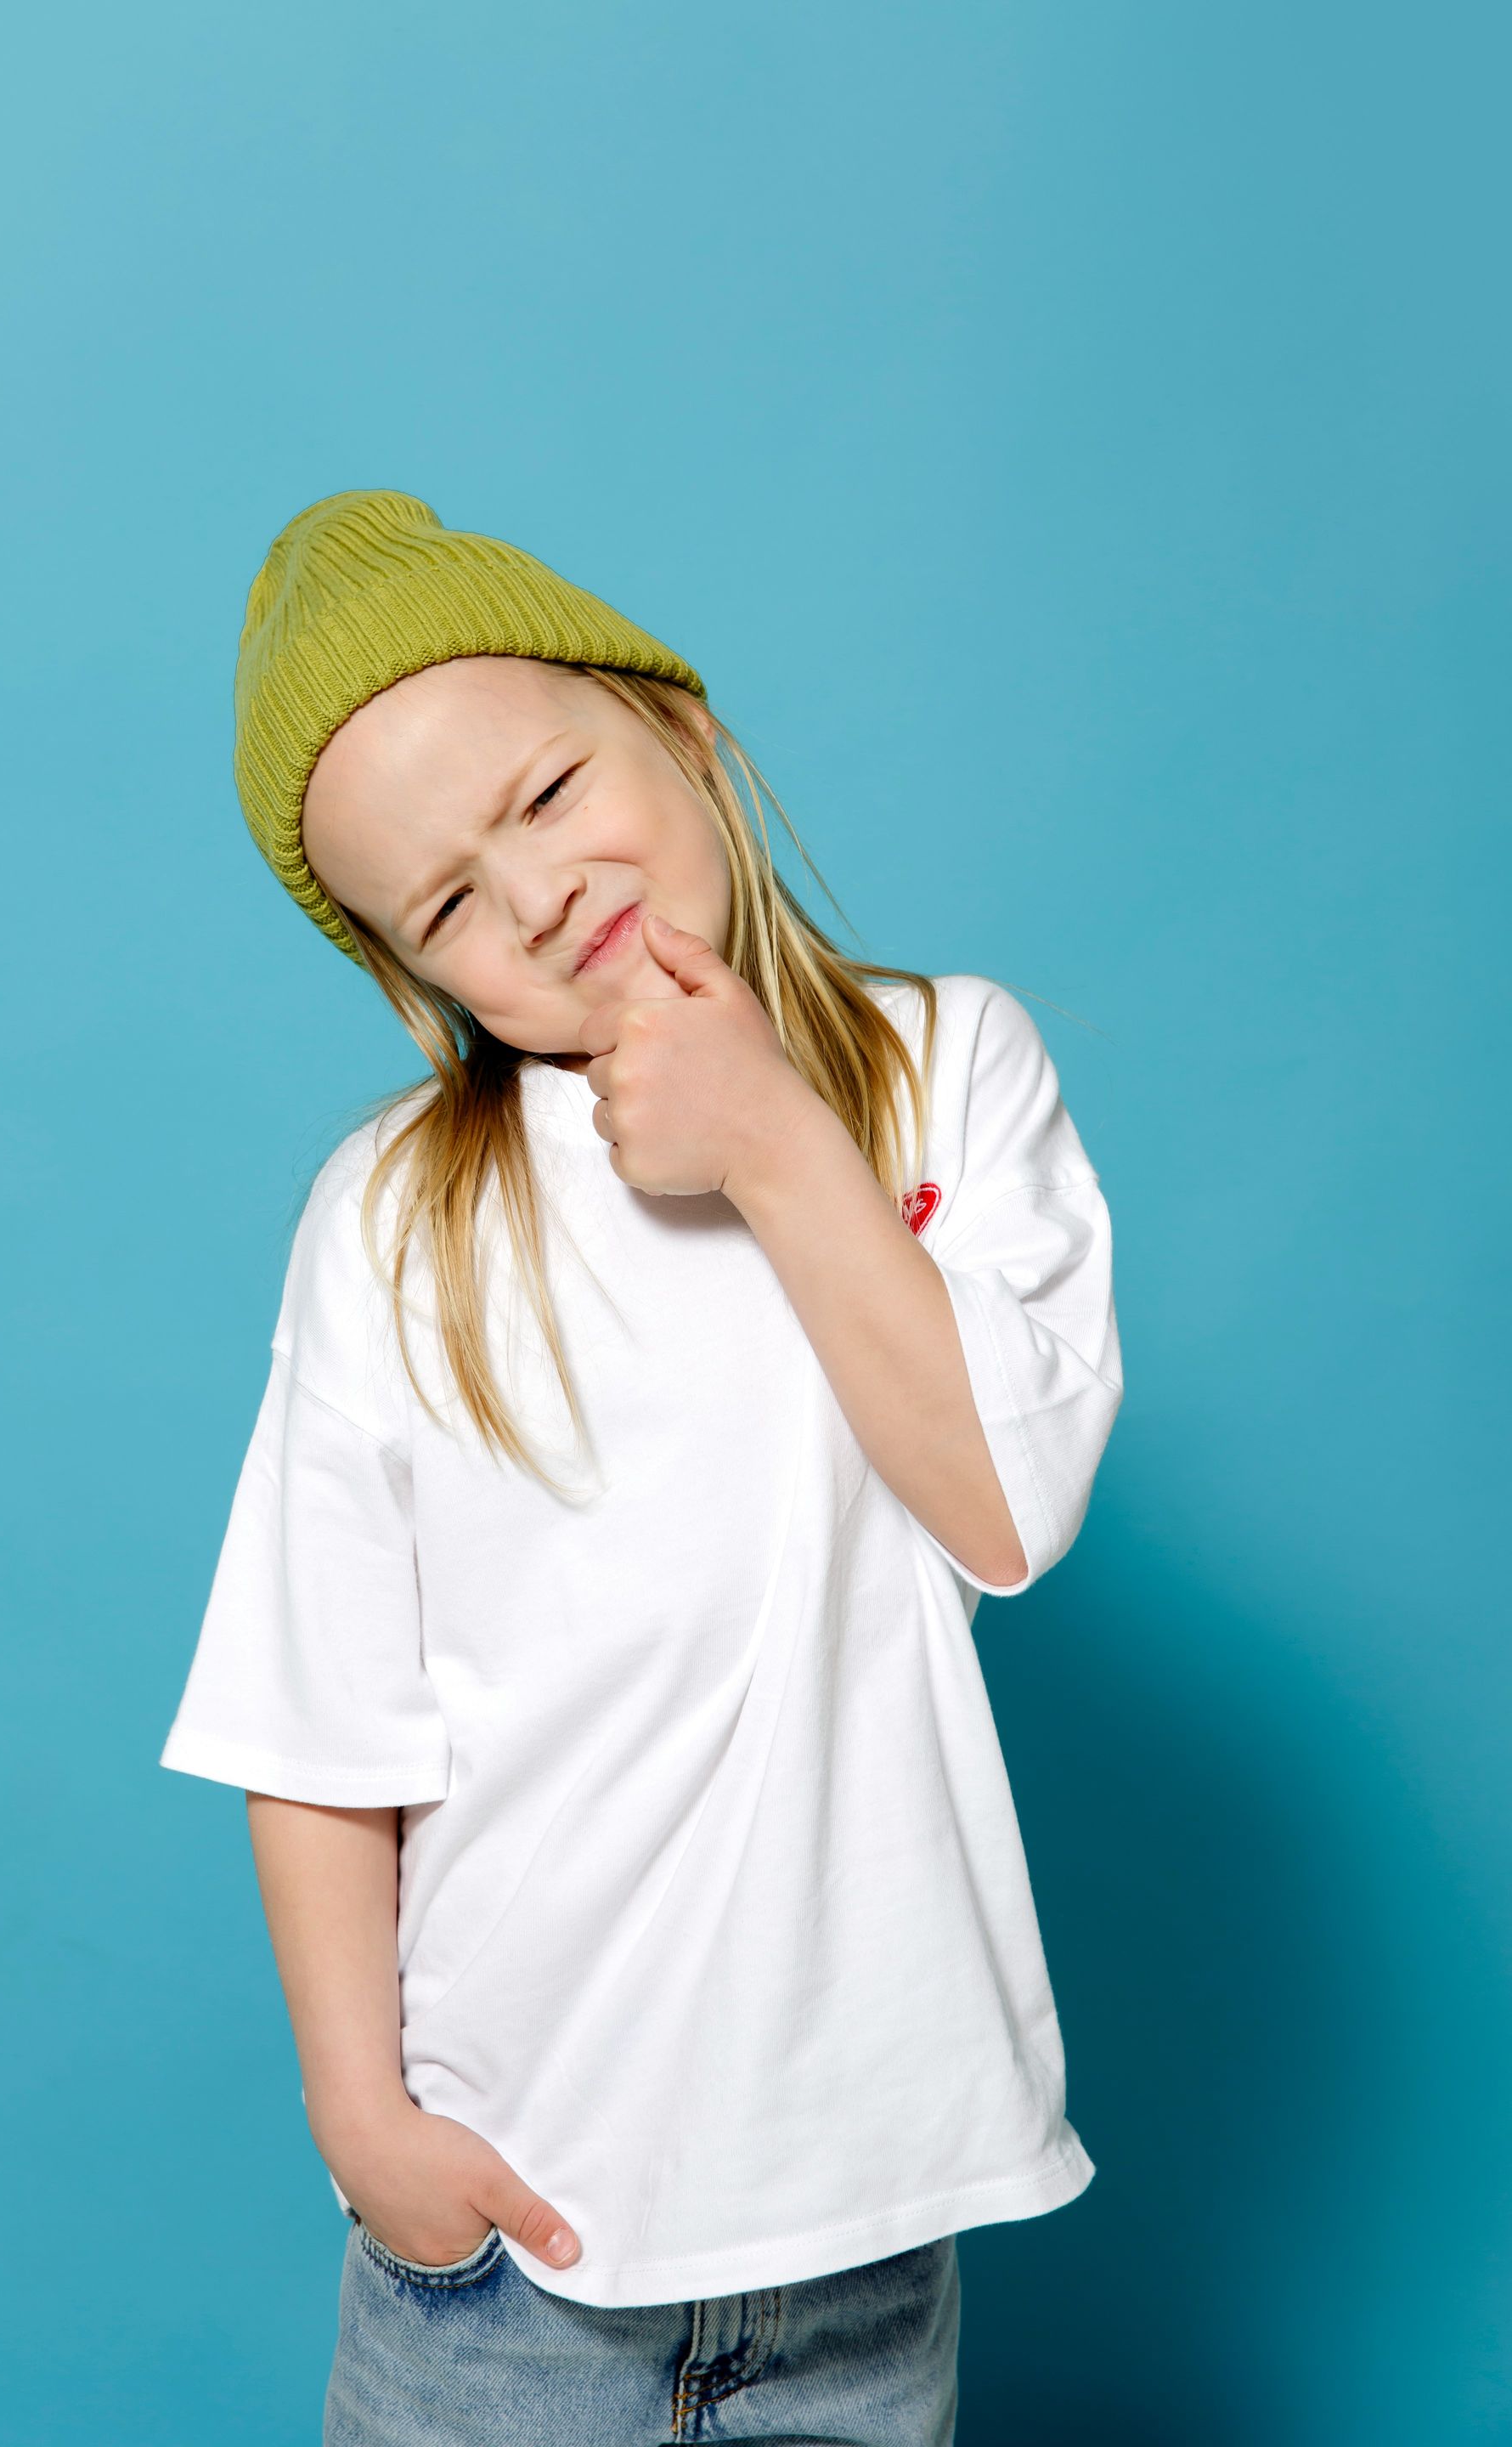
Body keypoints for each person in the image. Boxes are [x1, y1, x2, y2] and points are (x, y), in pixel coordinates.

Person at [158, 489, 1125, 2446]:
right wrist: (368, 2128)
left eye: (541, 789)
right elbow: (320, 1717)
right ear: (414, 968)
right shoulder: (394, 1217)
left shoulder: (952, 1067)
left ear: (675, 726)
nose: (527, 893)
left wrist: (774, 1139)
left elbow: (1006, 1515)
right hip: (508, 2254)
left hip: (868, 2227)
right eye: (442, 903)